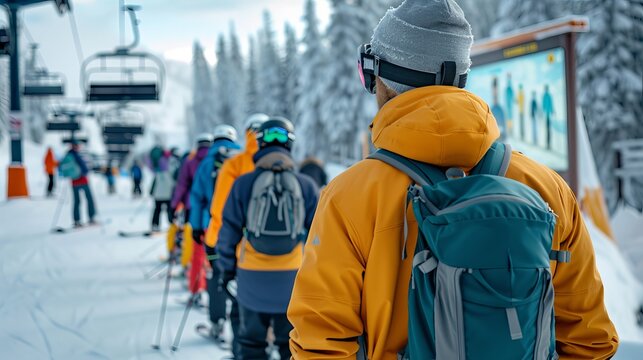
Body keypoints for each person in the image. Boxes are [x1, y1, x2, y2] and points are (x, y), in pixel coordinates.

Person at [288, 1, 618, 359]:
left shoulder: (349, 197)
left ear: (378, 80)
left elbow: (320, 344)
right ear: (461, 77)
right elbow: (590, 342)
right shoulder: (546, 188)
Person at [217, 117, 319, 360]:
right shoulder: (306, 185)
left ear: (259, 144)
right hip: (292, 282)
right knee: (291, 345)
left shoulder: (243, 184)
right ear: (290, 145)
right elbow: (319, 237)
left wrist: (227, 272)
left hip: (250, 279)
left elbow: (228, 233)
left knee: (251, 343)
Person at [204, 113, 269, 358]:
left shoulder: (234, 164)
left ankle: (241, 352)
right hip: (283, 254)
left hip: (244, 253)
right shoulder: (283, 162)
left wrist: (212, 244)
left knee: (241, 309)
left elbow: (220, 212)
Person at [188, 124, 241, 342]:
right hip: (240, 231)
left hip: (214, 230)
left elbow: (197, 198)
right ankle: (242, 325)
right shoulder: (243, 161)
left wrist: (197, 227)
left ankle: (218, 321)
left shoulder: (206, 164)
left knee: (217, 275)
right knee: (241, 275)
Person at [59, 141, 96, 227]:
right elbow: (84, 168)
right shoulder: (76, 155)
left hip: (74, 181)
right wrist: (86, 171)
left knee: (77, 201)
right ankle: (91, 218)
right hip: (83, 180)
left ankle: (77, 220)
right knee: (89, 199)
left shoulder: (67, 155)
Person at [150, 147, 175, 232]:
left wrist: (151, 191)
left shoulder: (158, 165)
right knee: (169, 210)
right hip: (168, 193)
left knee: (157, 210)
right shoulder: (171, 163)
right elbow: (173, 181)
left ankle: (155, 225)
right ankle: (172, 225)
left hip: (158, 193)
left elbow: (155, 181)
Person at [542, 84, 555, 150]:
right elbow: (543, 105)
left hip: (548, 115)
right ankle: (548, 144)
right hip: (547, 115)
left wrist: (552, 110)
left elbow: (550, 104)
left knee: (548, 130)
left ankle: (548, 144)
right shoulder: (545, 96)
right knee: (548, 130)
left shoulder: (547, 96)